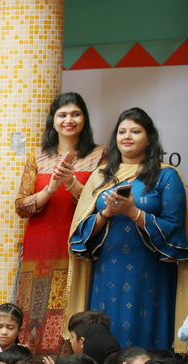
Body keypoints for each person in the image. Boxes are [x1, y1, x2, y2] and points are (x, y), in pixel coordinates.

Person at [67, 107, 188, 351]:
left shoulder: (166, 175)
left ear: (149, 138)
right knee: (105, 338)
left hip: (151, 273)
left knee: (145, 344)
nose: (127, 136)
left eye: (135, 131)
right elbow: (80, 232)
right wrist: (105, 213)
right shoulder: (101, 175)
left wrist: (134, 212)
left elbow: (176, 233)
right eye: (122, 131)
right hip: (106, 271)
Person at [15, 94, 105, 356]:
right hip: (40, 243)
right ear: (52, 121)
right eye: (62, 115)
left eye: (75, 114)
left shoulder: (99, 155)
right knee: (36, 310)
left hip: (78, 242)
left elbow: (99, 204)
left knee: (74, 308)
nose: (69, 120)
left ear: (84, 119)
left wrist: (71, 183)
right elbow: (21, 207)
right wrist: (50, 189)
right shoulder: (38, 157)